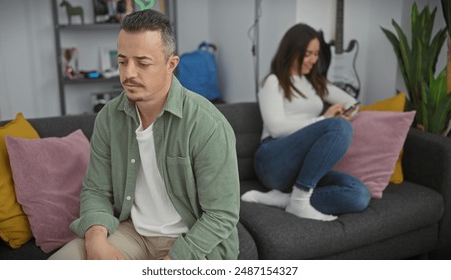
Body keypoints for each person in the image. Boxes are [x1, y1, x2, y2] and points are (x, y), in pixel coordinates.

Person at [50, 9, 240, 260]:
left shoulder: (208, 125)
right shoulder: (108, 117)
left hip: (193, 241)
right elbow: (96, 190)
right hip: (134, 234)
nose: (128, 73)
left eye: (142, 63)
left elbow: (221, 214)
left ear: (170, 64)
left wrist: (174, 261)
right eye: (122, 61)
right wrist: (95, 240)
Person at [241, 23, 371, 221]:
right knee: (339, 127)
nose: (314, 59)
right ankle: (300, 201)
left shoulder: (315, 82)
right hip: (273, 160)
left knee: (359, 194)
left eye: (317, 54)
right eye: (308, 53)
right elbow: (276, 129)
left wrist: (345, 113)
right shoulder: (274, 81)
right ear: (292, 51)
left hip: (305, 167)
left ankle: (288, 199)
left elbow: (352, 102)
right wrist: (323, 120)